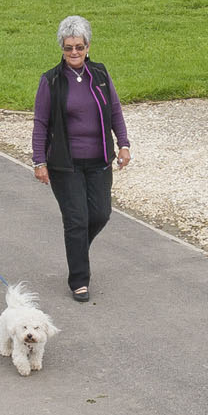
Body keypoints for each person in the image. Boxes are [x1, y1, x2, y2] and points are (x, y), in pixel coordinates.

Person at [31, 16, 130, 303]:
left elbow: (114, 111)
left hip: (98, 159)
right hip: (65, 163)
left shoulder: (99, 74)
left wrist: (123, 144)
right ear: (61, 49)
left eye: (79, 47)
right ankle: (79, 280)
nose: (74, 53)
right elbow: (40, 123)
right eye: (68, 48)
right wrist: (40, 161)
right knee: (76, 219)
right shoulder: (51, 80)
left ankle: (77, 250)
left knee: (100, 214)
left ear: (88, 46)